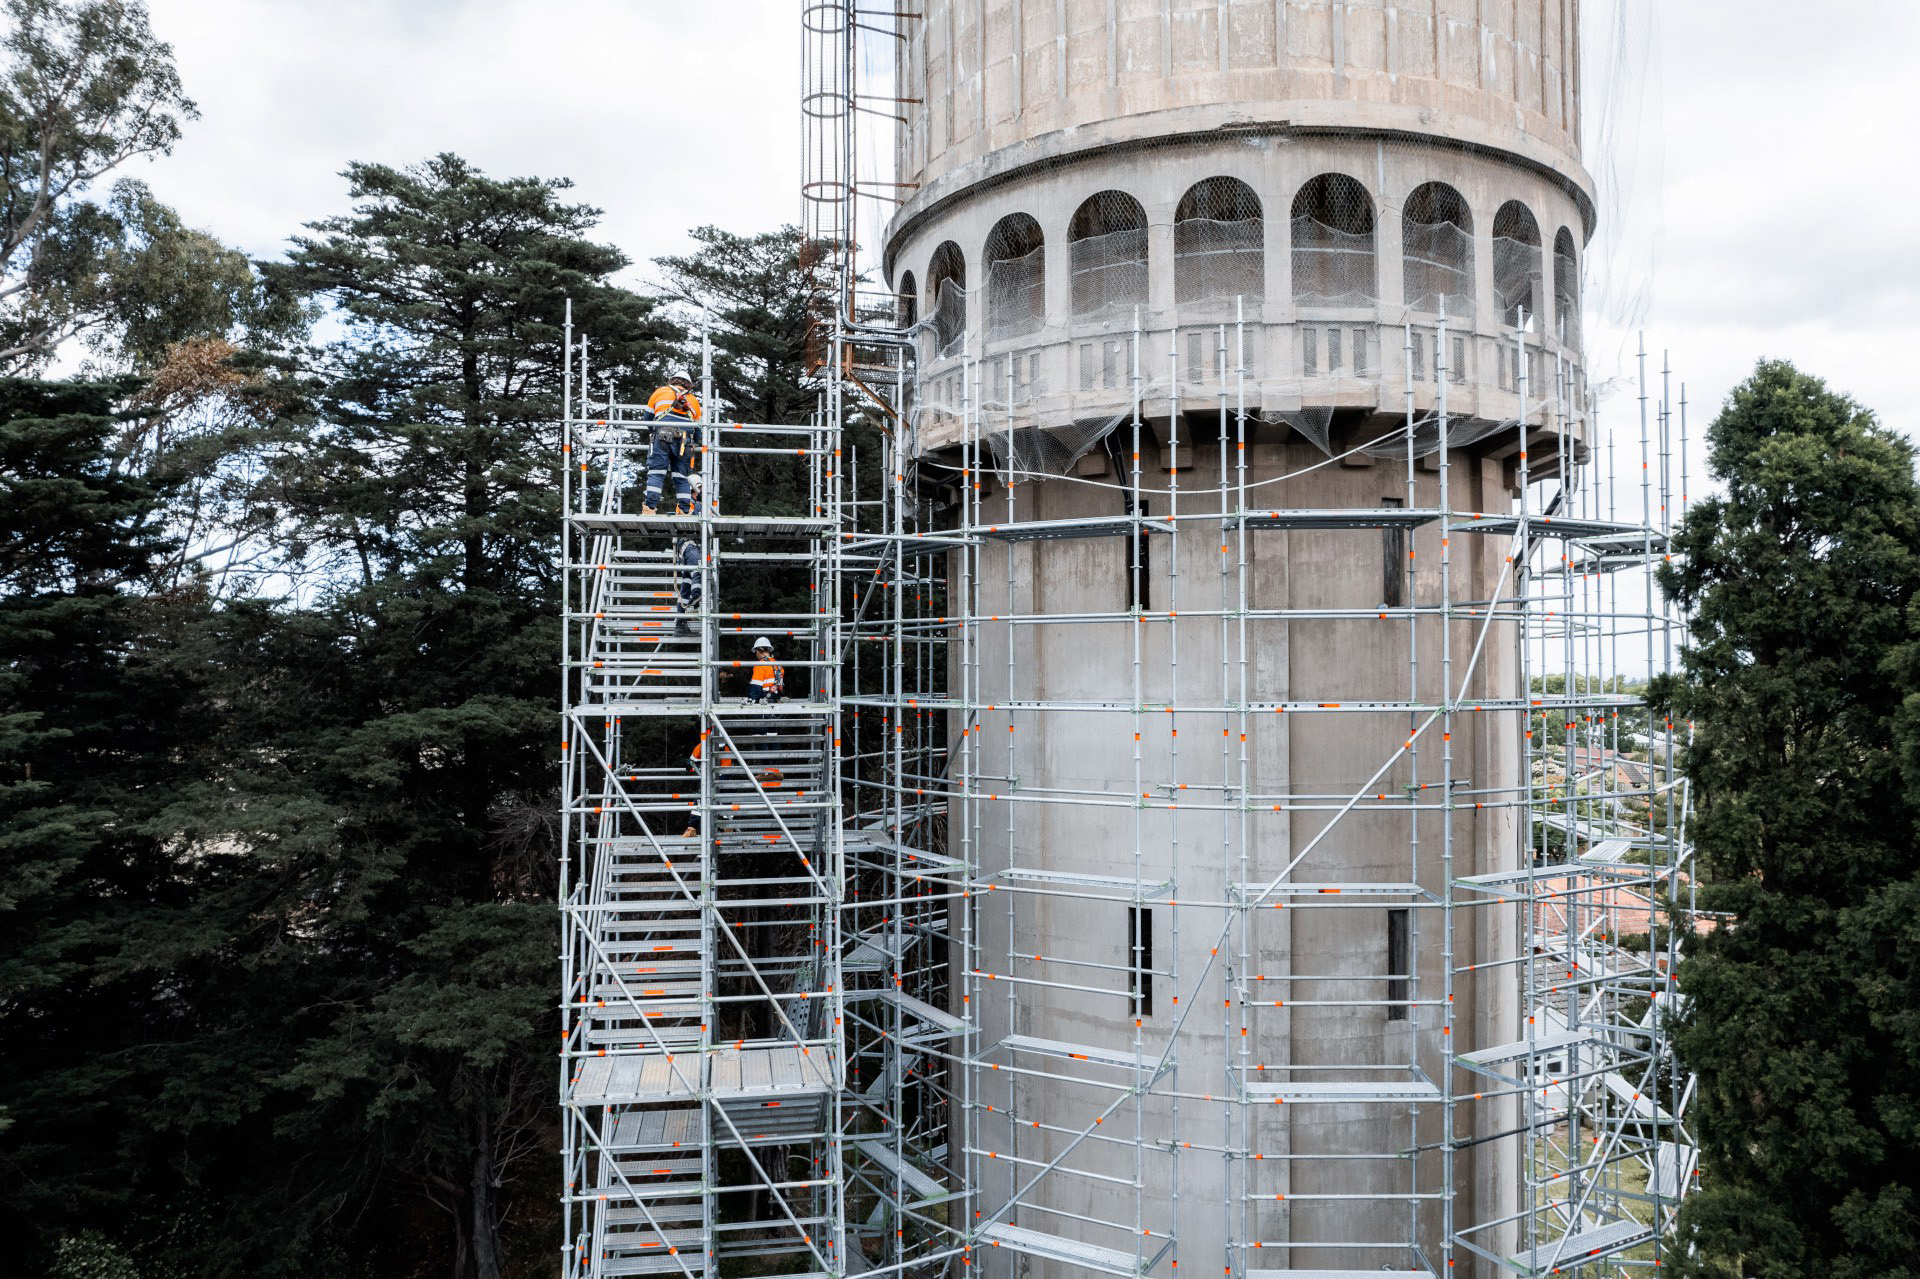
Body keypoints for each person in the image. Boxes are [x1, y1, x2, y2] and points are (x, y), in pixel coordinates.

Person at [639, 375, 702, 515]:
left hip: (662, 435)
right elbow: (698, 428)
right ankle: (685, 511)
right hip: (685, 441)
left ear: (672, 381)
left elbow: (647, 418)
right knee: (681, 477)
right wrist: (694, 444)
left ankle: (649, 509)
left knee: (657, 472)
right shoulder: (693, 401)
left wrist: (654, 434)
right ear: (688, 384)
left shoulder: (660, 392)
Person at [673, 474, 706, 637]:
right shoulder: (690, 504)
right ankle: (695, 605)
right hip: (690, 546)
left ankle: (680, 624)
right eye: (699, 488)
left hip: (684, 549)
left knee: (686, 583)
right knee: (698, 574)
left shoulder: (685, 503)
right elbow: (695, 520)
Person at [746, 637, 784, 704]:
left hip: (764, 703)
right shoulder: (778, 665)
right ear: (768, 650)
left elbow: (756, 688)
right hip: (776, 701)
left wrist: (752, 701)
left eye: (756, 651)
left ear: (758, 650)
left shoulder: (760, 665)